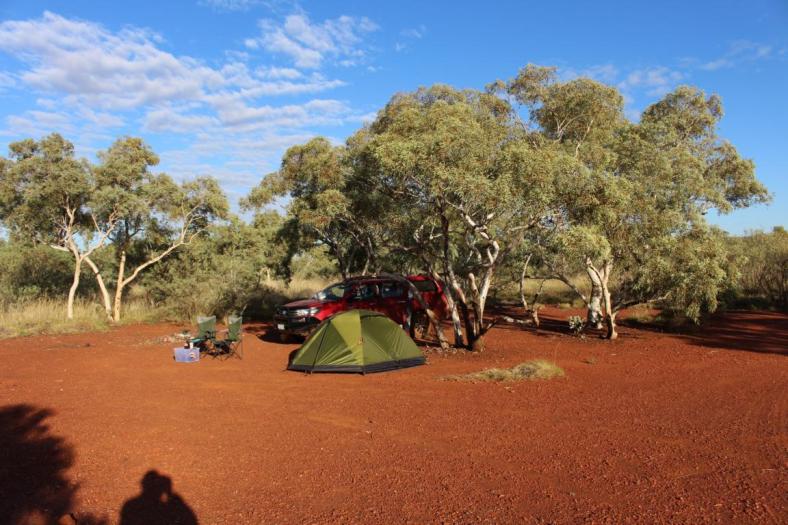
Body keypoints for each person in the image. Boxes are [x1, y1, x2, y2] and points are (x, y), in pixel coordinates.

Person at [120, 470, 197, 525]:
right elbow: (190, 521)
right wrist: (170, 494)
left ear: (142, 485)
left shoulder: (131, 505)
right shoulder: (165, 509)